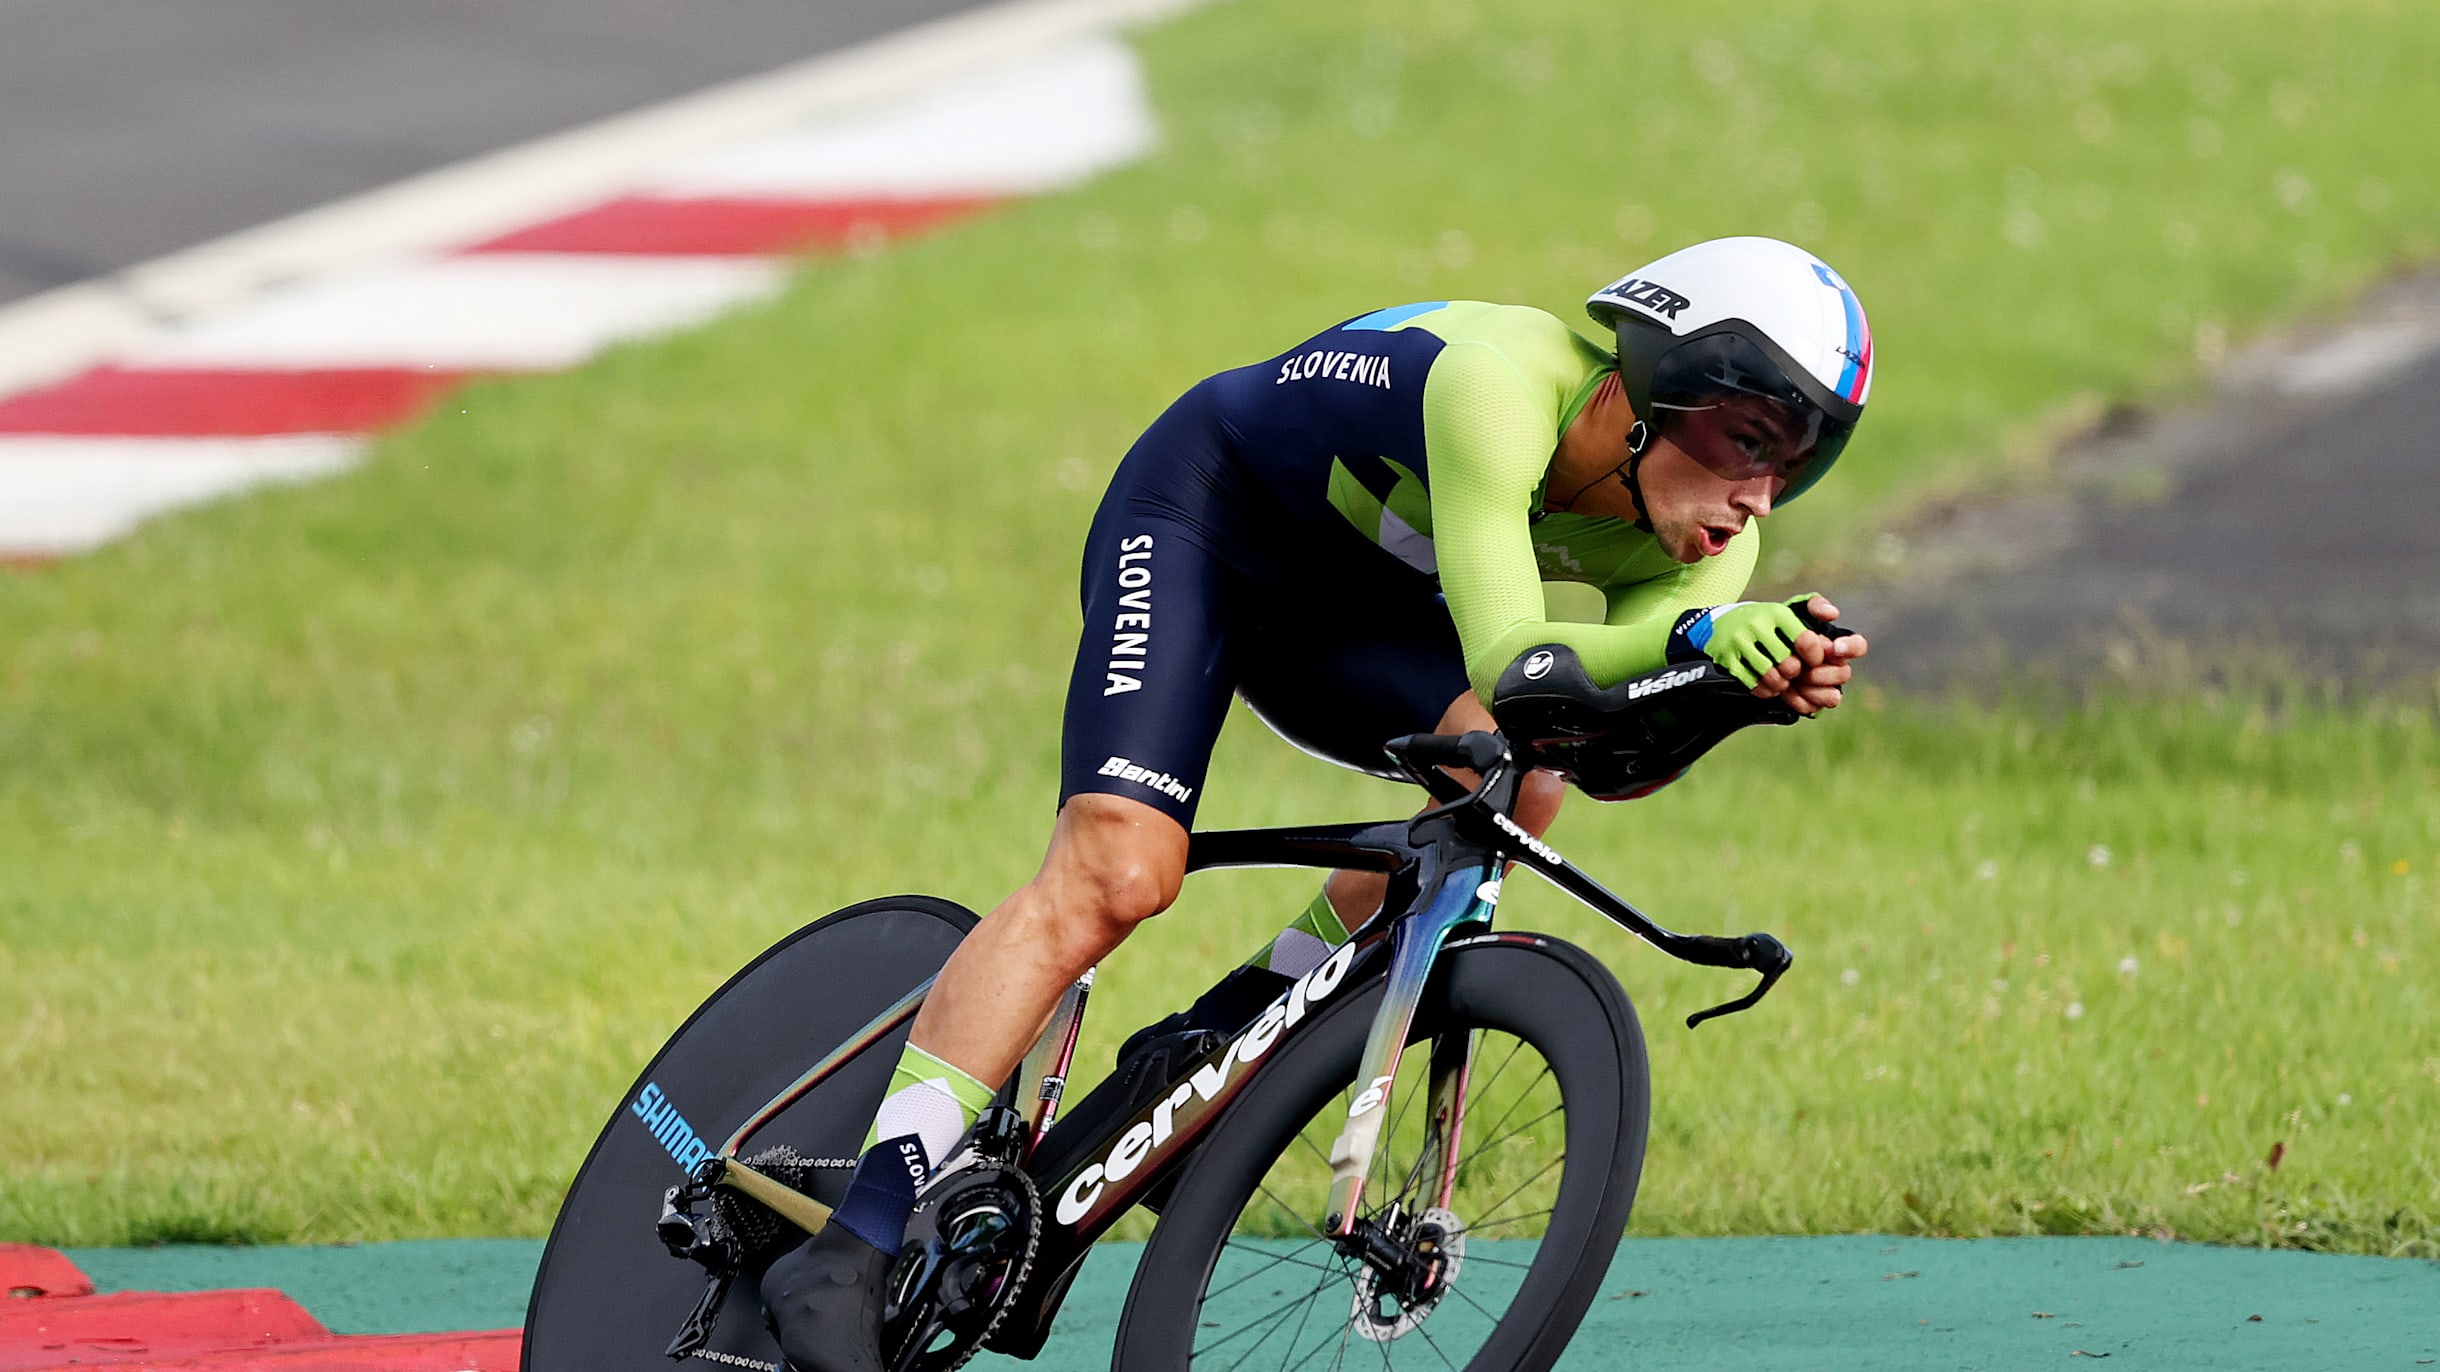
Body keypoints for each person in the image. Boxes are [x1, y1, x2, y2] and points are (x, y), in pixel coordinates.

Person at [762, 235, 1876, 1371]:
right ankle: (850, 1244)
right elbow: (1505, 657)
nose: (1757, 497)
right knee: (1120, 870)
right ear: (1658, 385)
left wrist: (1736, 693)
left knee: (1522, 785)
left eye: (1792, 467)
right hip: (1203, 523)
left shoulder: (1706, 542)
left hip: (1348, 611)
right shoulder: (1498, 384)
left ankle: (1224, 1031)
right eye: (1749, 443)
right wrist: (1693, 641)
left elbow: (1603, 759)